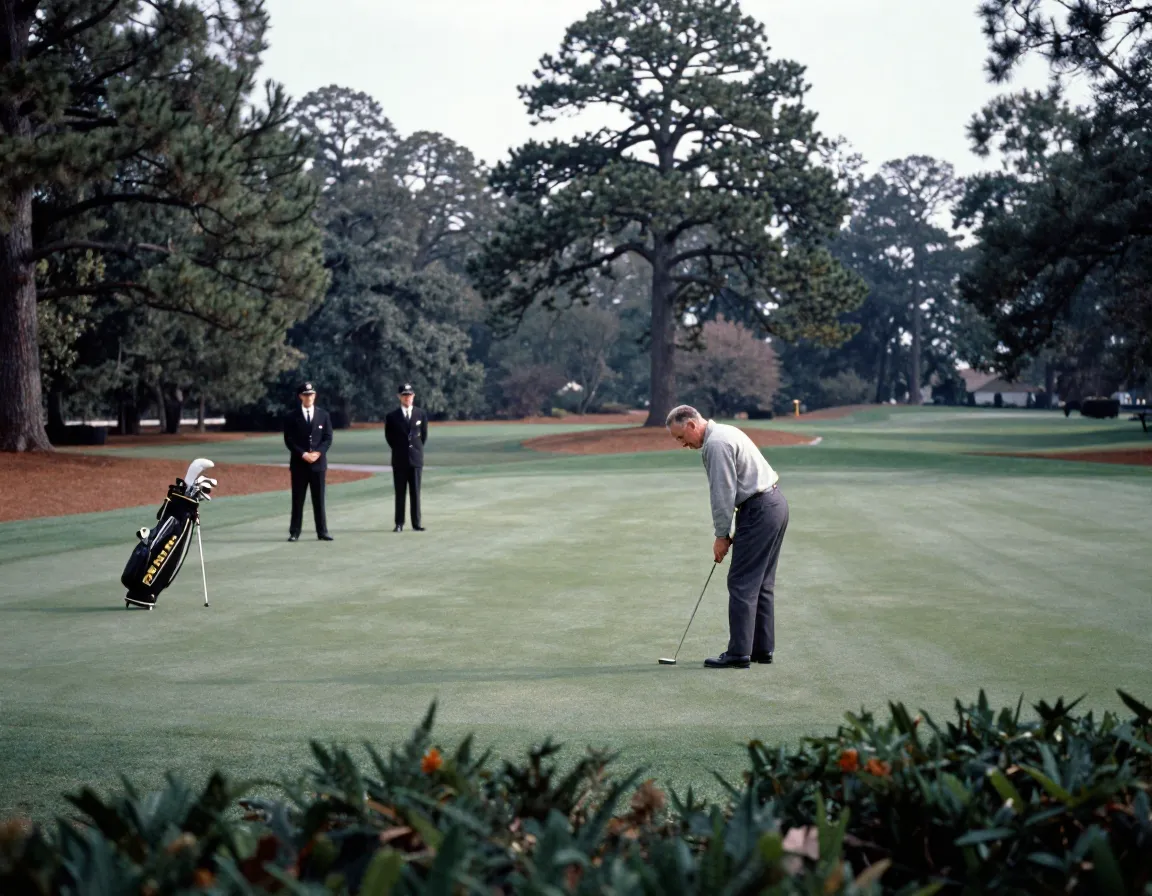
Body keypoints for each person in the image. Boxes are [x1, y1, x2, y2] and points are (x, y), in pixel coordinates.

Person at [665, 405, 789, 669]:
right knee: (761, 582)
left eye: (680, 437)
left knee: (741, 582)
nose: (682, 444)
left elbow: (722, 494)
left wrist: (722, 535)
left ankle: (739, 653)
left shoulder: (716, 444)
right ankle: (761, 649)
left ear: (691, 425)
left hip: (759, 509)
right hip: (774, 504)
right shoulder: (723, 432)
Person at [283, 381, 334, 542]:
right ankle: (295, 532)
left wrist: (318, 453)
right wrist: (303, 454)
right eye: (305, 395)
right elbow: (289, 439)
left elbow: (327, 438)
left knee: (319, 499)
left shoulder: (323, 415)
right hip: (299, 464)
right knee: (298, 499)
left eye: (311, 394)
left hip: (318, 464)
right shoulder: (292, 416)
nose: (309, 397)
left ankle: (322, 531)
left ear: (315, 395)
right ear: (300, 397)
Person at [384, 382, 428, 532]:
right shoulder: (392, 416)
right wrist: (400, 450)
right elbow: (389, 438)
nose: (407, 398)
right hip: (399, 459)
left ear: (413, 396)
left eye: (409, 395)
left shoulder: (420, 414)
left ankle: (416, 523)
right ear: (399, 397)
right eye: (404, 395)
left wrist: (415, 450)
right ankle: (399, 523)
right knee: (400, 493)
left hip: (415, 459)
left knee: (415, 493)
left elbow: (423, 436)